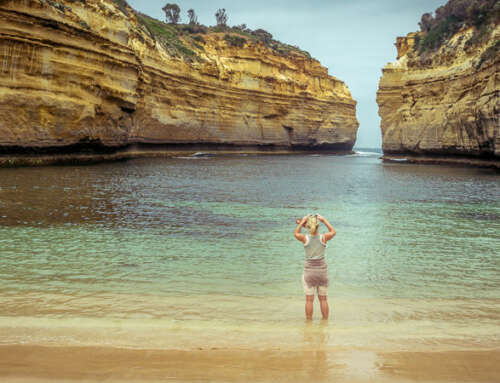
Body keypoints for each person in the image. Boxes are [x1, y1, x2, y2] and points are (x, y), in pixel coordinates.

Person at [294, 214, 336, 320]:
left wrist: (303, 221)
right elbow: (333, 232)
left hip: (309, 273)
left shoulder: (305, 238)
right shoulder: (324, 237)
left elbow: (296, 233)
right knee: (323, 300)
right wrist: (324, 219)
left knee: (309, 300)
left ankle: (308, 324)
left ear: (308, 226)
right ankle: (325, 323)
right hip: (322, 273)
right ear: (318, 225)